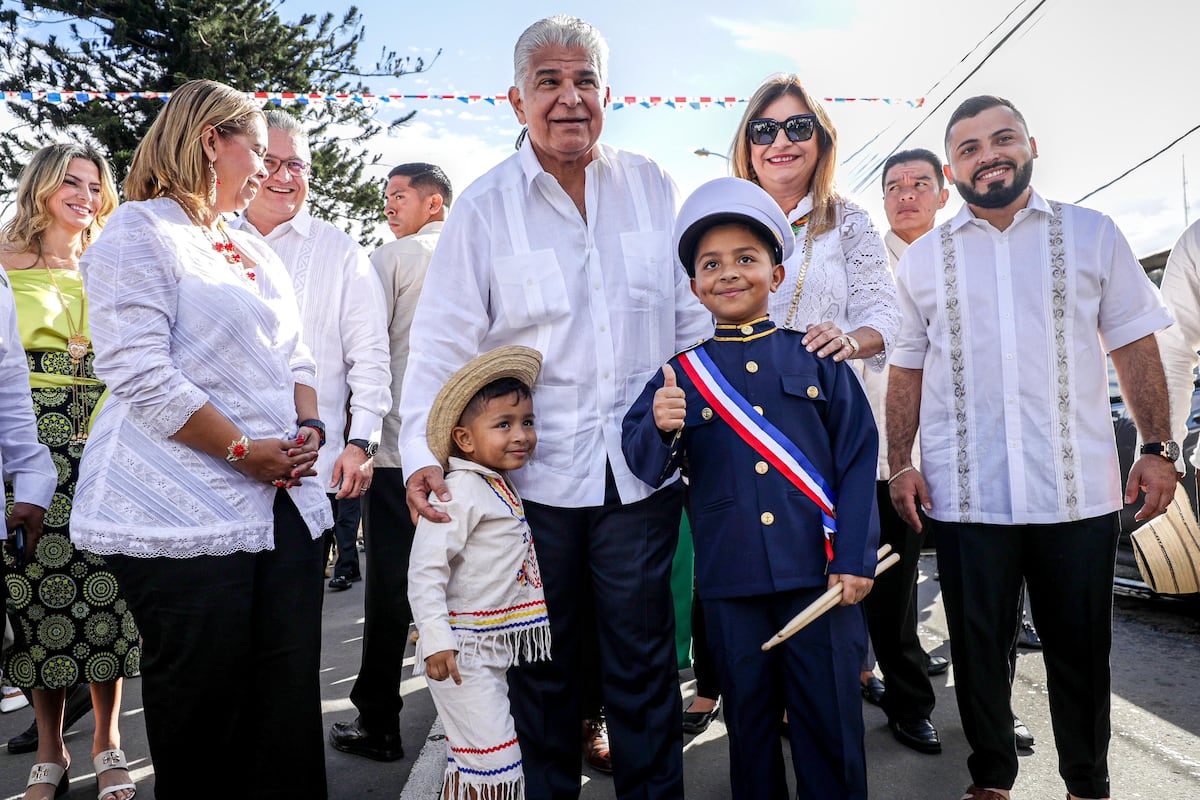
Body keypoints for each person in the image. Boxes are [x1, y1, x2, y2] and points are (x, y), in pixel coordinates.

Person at [399, 16, 710, 799]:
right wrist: (419, 460)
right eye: (549, 83)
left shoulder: (653, 185)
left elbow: (691, 324)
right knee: (539, 672)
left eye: (584, 82)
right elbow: (441, 348)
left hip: (639, 479)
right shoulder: (483, 207)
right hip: (525, 493)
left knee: (643, 669)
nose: (569, 99)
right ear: (516, 100)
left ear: (609, 94)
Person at [887, 95, 1176, 800]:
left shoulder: (1092, 234)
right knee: (980, 654)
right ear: (953, 170)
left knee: (1082, 654)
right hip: (967, 494)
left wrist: (1158, 445)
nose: (988, 155)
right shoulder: (924, 261)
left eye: (1002, 139)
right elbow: (906, 369)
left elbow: (1135, 342)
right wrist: (902, 462)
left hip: (1074, 492)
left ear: (1031, 145)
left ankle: (1087, 783)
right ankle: (992, 779)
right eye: (970, 148)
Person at [71, 79, 334, 799]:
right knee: (206, 713)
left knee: (284, 708)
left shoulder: (249, 243)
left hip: (282, 505)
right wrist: (242, 450)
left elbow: (299, 357)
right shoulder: (140, 229)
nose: (268, 172)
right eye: (258, 151)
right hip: (181, 510)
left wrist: (307, 427)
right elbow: (137, 371)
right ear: (212, 139)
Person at [623, 177, 879, 799]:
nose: (728, 273)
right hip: (731, 586)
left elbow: (857, 458)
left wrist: (854, 558)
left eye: (746, 259)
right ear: (694, 287)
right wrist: (658, 428)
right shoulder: (680, 374)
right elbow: (641, 461)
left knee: (832, 727)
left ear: (778, 274)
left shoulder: (818, 359)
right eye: (711, 264)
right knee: (751, 731)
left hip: (820, 577)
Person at [681, 70, 901, 734]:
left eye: (798, 127)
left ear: (822, 141)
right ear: (746, 143)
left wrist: (850, 341)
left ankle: (837, 687)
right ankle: (725, 684)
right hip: (734, 424)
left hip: (817, 425)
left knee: (828, 573)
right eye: (765, 129)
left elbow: (883, 314)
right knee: (732, 569)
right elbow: (683, 317)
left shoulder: (851, 220)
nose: (781, 141)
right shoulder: (717, 214)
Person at [0, 143, 140, 800]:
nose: (84, 194)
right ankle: (49, 751)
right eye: (70, 182)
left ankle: (108, 740)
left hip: (107, 442)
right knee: (37, 600)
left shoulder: (109, 263)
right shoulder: (4, 261)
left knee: (106, 599)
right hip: (33, 443)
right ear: (43, 188)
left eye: (93, 184)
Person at [230, 109, 391, 593]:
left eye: (296, 165)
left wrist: (362, 441)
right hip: (214, 471)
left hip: (308, 472)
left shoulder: (340, 250)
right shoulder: (204, 240)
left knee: (293, 634)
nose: (282, 176)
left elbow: (370, 355)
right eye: (270, 161)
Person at [329, 161, 451, 762]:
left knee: (391, 593)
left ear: (435, 203)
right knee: (474, 587)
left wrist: (357, 435)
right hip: (468, 453)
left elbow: (365, 352)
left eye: (399, 196)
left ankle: (379, 722)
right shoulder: (477, 257)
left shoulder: (393, 259)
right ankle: (482, 724)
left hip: (401, 453)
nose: (388, 207)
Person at [408, 345, 549, 800]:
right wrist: (435, 638)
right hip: (460, 654)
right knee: (493, 762)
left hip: (488, 649)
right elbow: (425, 569)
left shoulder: (496, 484)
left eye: (527, 422)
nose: (521, 435)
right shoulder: (462, 490)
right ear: (465, 439)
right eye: (503, 424)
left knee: (474, 759)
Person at [859, 148, 950, 755]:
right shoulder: (868, 264)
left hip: (951, 448)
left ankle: (983, 708)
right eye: (894, 186)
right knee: (888, 591)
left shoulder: (960, 257)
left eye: (921, 183)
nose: (907, 194)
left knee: (972, 591)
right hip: (879, 457)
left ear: (944, 193)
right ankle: (905, 700)